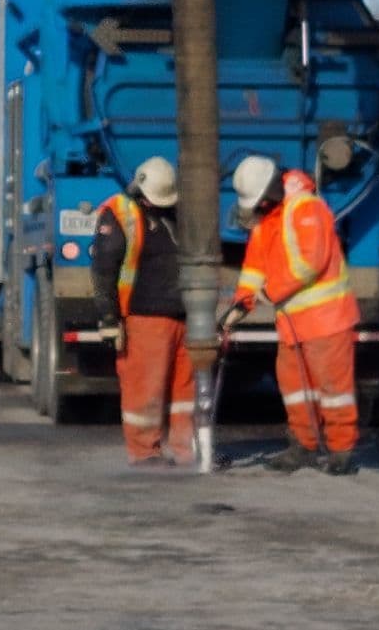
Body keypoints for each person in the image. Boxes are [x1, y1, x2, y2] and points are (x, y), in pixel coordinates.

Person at [220, 156, 362, 475]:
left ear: (271, 190)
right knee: (294, 386)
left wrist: (270, 294)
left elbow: (309, 263)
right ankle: (304, 445)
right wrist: (239, 306)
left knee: (332, 388)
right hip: (294, 323)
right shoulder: (268, 218)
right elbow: (254, 267)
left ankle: (341, 451)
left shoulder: (307, 208)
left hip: (326, 320)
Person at [92, 156, 193, 467]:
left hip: (181, 316)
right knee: (145, 389)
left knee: (184, 392)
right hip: (143, 315)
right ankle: (144, 451)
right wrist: (109, 318)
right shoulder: (120, 214)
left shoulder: (172, 213)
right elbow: (104, 270)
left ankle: (185, 448)